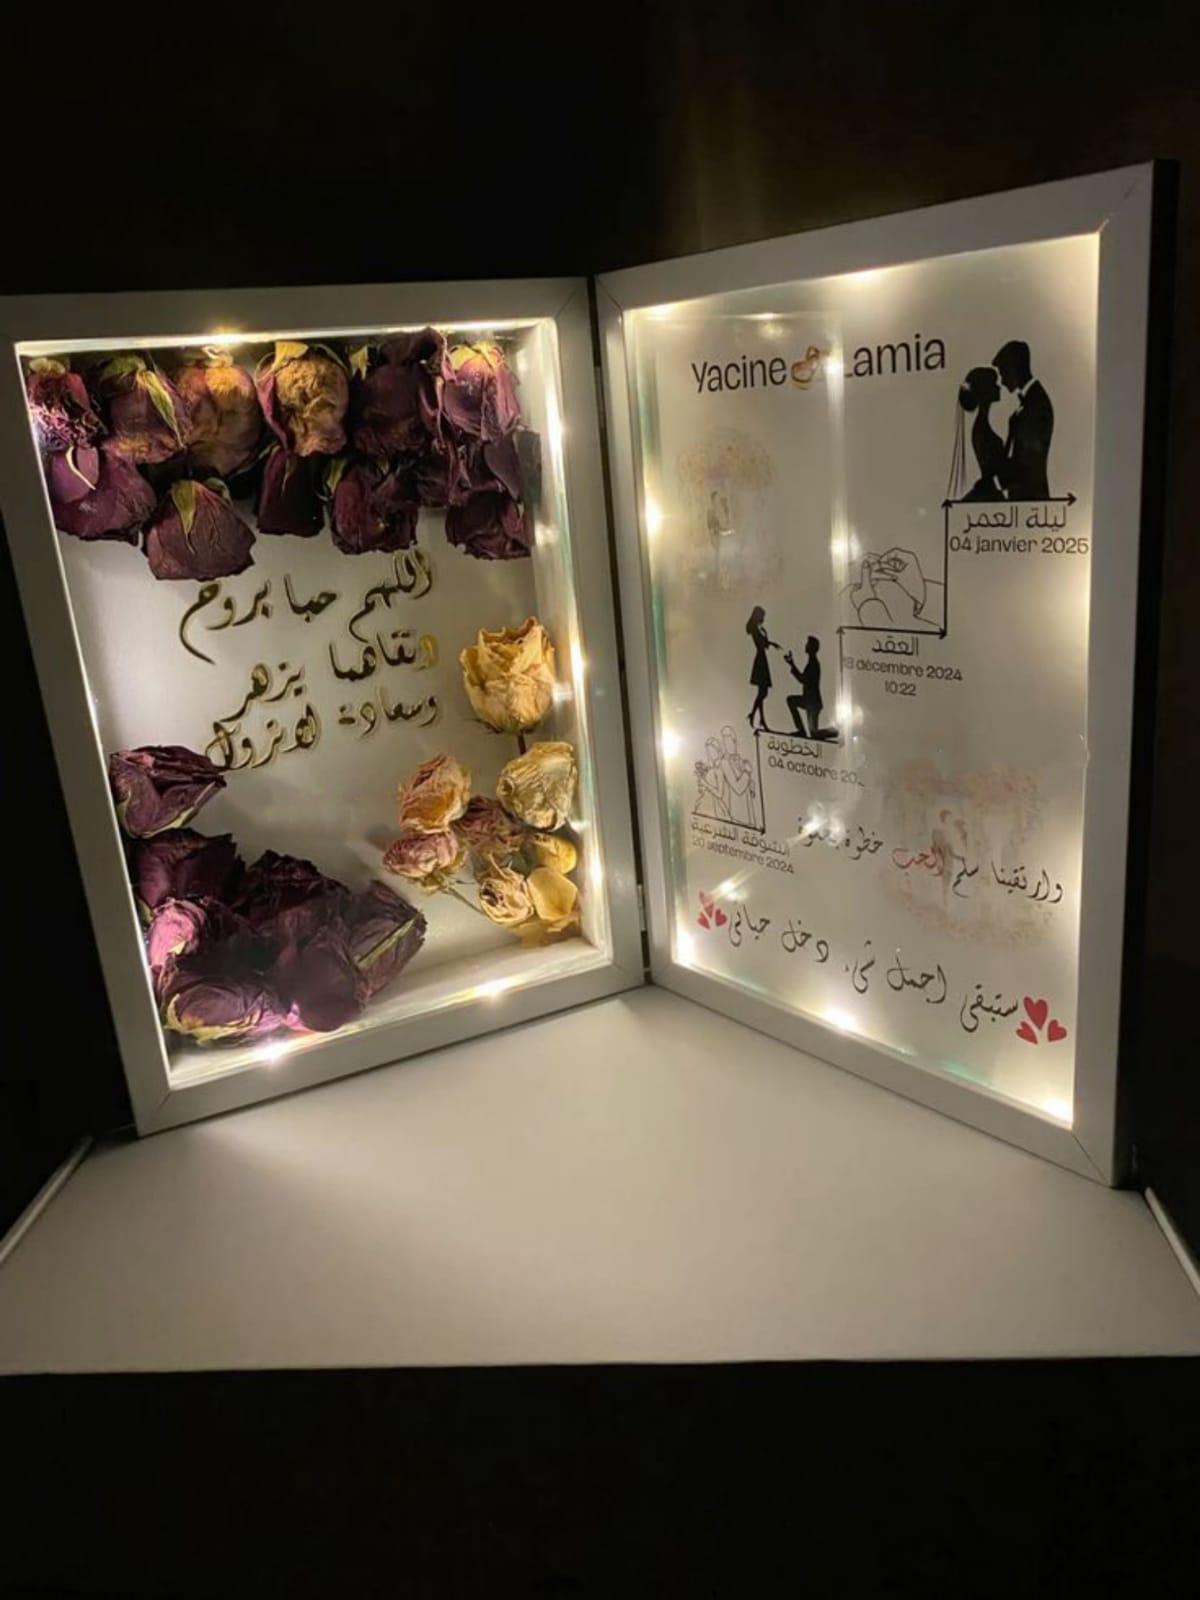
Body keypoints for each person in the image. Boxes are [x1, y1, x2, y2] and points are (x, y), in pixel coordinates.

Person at [993, 340, 1053, 500]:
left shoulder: (1035, 404)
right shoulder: (1032, 400)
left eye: (1003, 373)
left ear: (1014, 369)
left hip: (1030, 496)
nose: (1002, 381)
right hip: (1026, 495)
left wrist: (997, 479)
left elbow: (1027, 461)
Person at [956, 366, 1006, 500]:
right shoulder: (982, 427)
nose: (999, 387)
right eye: (994, 384)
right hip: (988, 490)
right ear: (985, 391)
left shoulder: (982, 425)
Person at [746, 605, 778, 731]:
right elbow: (762, 644)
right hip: (760, 660)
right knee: (762, 692)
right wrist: (768, 641)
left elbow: (765, 644)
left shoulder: (759, 628)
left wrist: (771, 643)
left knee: (762, 692)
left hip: (762, 658)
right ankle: (758, 717)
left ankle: (757, 716)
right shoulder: (755, 629)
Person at [785, 636, 824, 737]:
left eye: (808, 644)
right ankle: (801, 730)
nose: (805, 646)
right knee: (814, 733)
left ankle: (834, 731)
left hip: (812, 702)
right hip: (811, 701)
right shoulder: (812, 662)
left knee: (791, 701)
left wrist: (792, 665)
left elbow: (802, 680)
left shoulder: (813, 664)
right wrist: (792, 664)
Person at [719, 724, 756, 826]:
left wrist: (751, 785)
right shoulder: (724, 762)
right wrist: (747, 772)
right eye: (725, 742)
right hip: (738, 814)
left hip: (748, 809)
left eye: (731, 741)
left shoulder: (739, 758)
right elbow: (737, 788)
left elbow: (746, 785)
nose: (728, 745)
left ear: (735, 742)